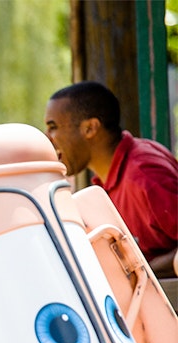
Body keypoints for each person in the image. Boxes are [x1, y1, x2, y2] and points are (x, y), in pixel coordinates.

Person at [44, 81, 178, 276]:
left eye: (53, 127)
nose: (47, 138)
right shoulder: (106, 182)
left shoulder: (144, 175)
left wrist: (135, 270)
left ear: (90, 128)